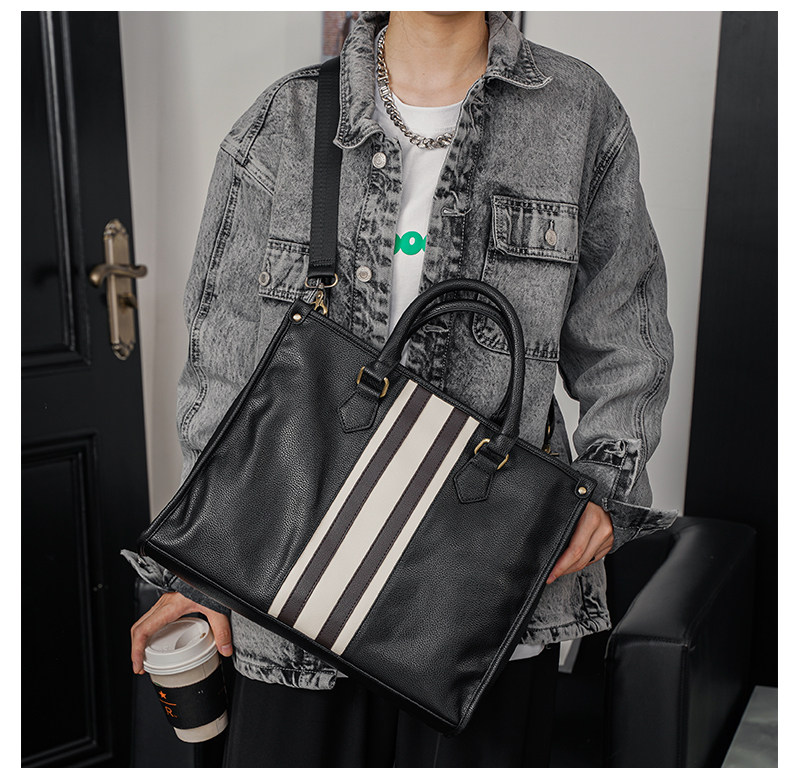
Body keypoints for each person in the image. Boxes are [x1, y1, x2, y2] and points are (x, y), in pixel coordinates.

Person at [126, 10, 677, 767]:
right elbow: (221, 364)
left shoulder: (578, 112)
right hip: (291, 585)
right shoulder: (286, 119)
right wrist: (203, 567)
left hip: (481, 606)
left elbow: (626, 335)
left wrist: (605, 487)